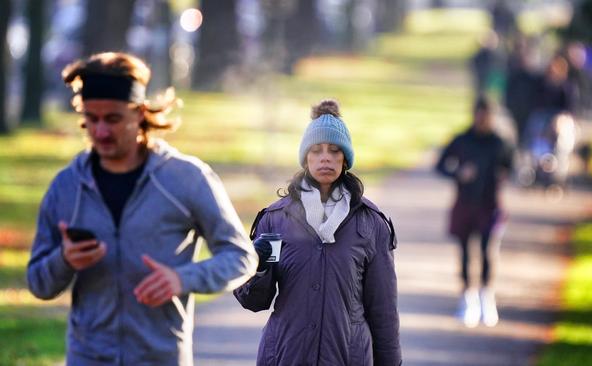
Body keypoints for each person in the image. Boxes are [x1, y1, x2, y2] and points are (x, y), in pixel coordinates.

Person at [26, 52, 257, 365]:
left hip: (161, 356)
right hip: (88, 357)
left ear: (140, 113)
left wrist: (183, 278)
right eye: (92, 119)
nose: (101, 131)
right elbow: (39, 283)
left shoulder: (184, 178)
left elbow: (241, 257)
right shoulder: (67, 187)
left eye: (113, 118)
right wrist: (64, 260)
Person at [234, 100, 402, 365]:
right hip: (285, 356)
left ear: (345, 158)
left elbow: (384, 312)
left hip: (349, 358)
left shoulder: (372, 224)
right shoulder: (275, 220)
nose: (326, 157)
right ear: (305, 158)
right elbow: (254, 300)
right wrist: (257, 270)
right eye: (316, 150)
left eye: (334, 151)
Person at [435, 97, 513, 328]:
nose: (482, 120)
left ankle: (486, 297)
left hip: (490, 204)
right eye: (479, 115)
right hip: (465, 203)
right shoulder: (462, 140)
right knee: (465, 252)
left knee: (488, 251)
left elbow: (513, 166)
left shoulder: (500, 143)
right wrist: (459, 173)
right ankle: (467, 299)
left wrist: (504, 174)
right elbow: (440, 166)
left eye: (486, 116)